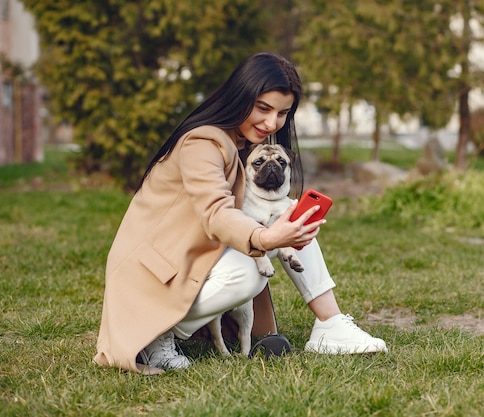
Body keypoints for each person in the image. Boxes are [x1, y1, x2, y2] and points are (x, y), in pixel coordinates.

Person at [93, 52, 387, 374]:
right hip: (157, 271)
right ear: (240, 96)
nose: (272, 123)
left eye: (282, 113)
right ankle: (154, 335)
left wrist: (281, 229)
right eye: (263, 108)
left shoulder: (243, 143)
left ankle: (330, 324)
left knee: (292, 216)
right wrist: (264, 237)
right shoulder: (201, 144)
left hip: (193, 259)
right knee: (247, 274)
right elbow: (216, 213)